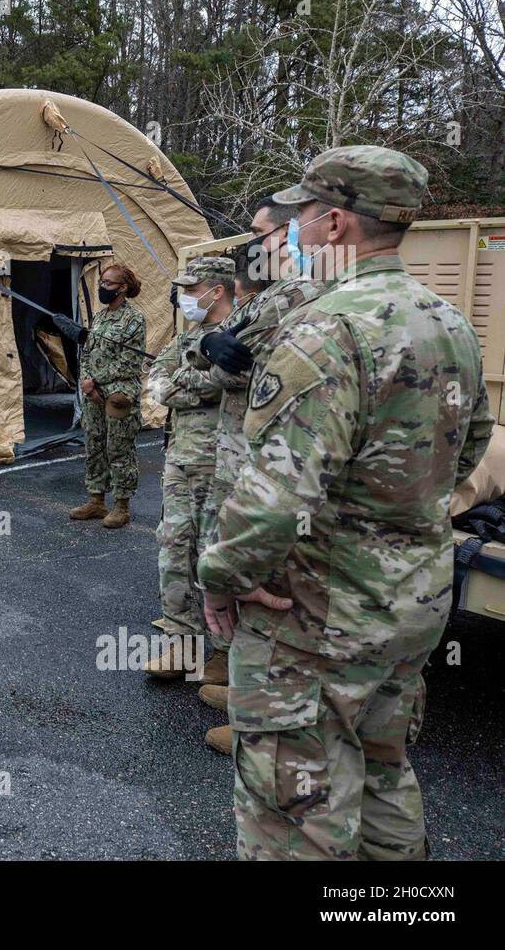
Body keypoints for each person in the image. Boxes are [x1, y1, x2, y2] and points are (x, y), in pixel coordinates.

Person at [197, 146, 494, 860]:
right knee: (384, 771)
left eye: (301, 217)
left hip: (319, 614)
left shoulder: (327, 329)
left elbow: (274, 496)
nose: (294, 232)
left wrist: (223, 577)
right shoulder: (447, 323)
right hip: (413, 600)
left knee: (294, 803)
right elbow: (473, 443)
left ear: (334, 224)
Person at [185, 199, 322, 754]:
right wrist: (206, 343)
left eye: (263, 234)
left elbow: (221, 366)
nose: (256, 243)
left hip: (270, 457)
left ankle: (265, 723)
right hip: (239, 447)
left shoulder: (302, 297)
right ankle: (248, 694)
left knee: (274, 585)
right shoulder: (269, 296)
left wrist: (210, 351)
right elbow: (208, 350)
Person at [144, 256, 234, 683]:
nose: (184, 297)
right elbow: (157, 381)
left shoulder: (236, 333)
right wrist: (184, 384)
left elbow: (223, 380)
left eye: (191, 288)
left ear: (216, 290)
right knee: (174, 547)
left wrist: (182, 385)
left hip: (220, 463)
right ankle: (182, 641)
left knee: (214, 556)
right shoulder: (190, 336)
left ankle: (226, 653)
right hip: (180, 458)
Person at [68, 263, 147, 529]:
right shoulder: (100, 318)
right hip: (94, 394)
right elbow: (88, 352)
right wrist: (86, 382)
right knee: (95, 444)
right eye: (101, 283)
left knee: (119, 449)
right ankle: (96, 500)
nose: (102, 287)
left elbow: (129, 362)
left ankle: (122, 506)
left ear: (122, 288)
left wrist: (95, 380)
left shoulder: (134, 319)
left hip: (118, 394)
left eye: (108, 284)